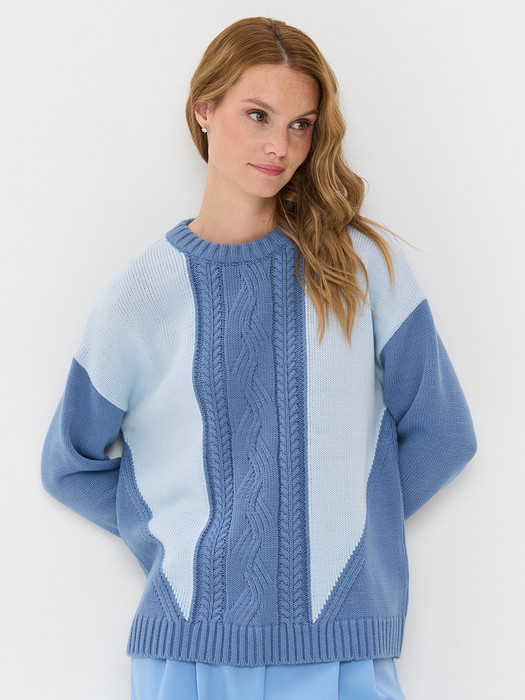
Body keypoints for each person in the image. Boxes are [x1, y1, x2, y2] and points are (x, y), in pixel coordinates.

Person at [41, 16, 477, 700]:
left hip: (341, 648)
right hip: (191, 652)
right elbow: (68, 464)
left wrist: (343, 529)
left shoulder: (361, 266)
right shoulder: (141, 295)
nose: (280, 145)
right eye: (257, 115)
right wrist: (191, 535)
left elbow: (444, 435)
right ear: (204, 110)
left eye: (301, 125)